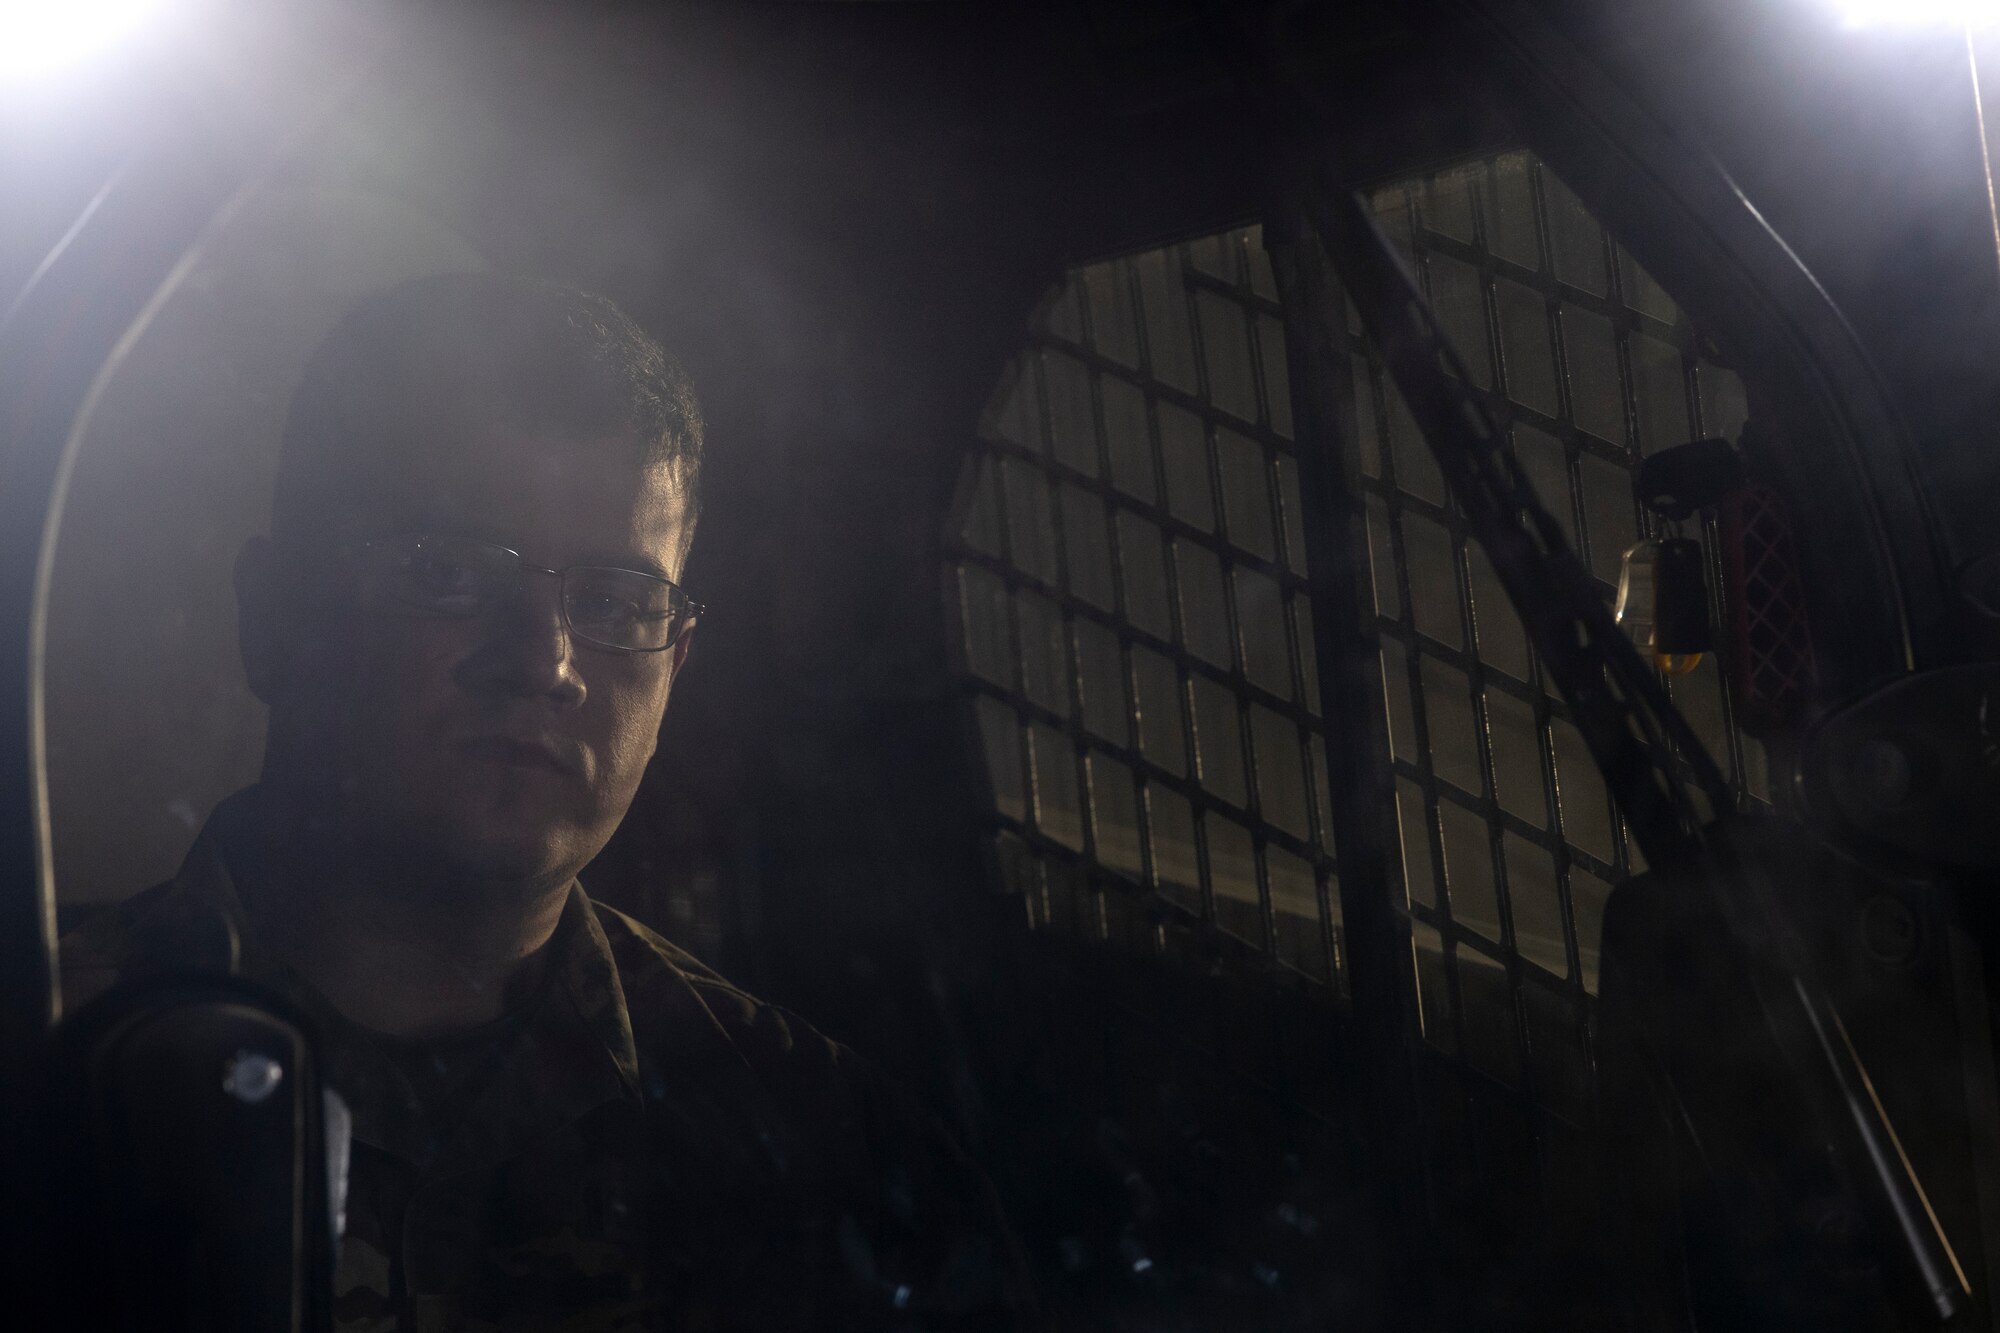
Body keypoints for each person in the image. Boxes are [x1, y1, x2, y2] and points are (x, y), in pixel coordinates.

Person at [60, 272, 1033, 1332]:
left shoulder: (833, 1158)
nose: (545, 663)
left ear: (677, 662)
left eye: (617, 601)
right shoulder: (50, 1061)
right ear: (274, 615)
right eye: (449, 572)